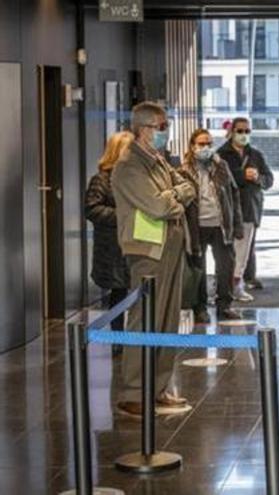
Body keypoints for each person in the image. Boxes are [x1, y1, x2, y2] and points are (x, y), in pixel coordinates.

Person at [112, 101, 196, 417]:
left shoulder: (157, 160)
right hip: (148, 252)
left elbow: (188, 186)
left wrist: (173, 196)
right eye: (161, 126)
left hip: (172, 247)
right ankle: (135, 392)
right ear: (144, 129)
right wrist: (176, 197)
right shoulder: (130, 166)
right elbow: (158, 207)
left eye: (167, 125)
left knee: (166, 320)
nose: (166, 131)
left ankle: (158, 387)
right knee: (144, 319)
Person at [180, 129, 244, 323]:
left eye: (208, 143)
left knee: (225, 267)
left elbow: (234, 195)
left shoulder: (221, 166)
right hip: (196, 226)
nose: (205, 148)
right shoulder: (183, 170)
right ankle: (200, 308)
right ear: (192, 146)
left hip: (220, 224)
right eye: (201, 144)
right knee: (198, 267)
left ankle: (224, 305)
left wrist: (237, 225)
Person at [217, 117, 274, 302]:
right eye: (240, 131)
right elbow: (220, 178)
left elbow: (269, 179)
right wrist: (243, 175)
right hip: (228, 209)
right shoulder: (221, 154)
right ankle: (224, 285)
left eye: (247, 131)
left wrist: (258, 178)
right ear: (232, 132)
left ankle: (237, 284)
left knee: (243, 251)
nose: (243, 135)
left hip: (249, 209)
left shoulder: (255, 155)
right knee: (226, 251)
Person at [85, 131, 134, 339]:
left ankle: (138, 335)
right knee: (119, 292)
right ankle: (118, 338)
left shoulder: (137, 177)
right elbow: (92, 209)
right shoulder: (101, 179)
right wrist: (123, 216)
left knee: (138, 290)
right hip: (112, 246)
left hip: (136, 241)